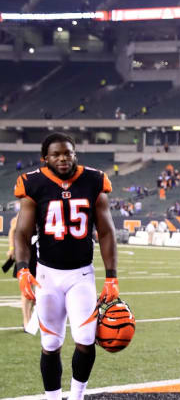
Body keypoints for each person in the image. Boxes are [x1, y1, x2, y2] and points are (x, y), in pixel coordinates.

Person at [13, 133, 118, 400]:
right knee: (50, 343)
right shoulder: (33, 183)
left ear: (75, 155)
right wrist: (23, 268)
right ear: (44, 158)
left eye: (68, 153)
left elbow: (106, 232)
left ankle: (77, 395)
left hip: (81, 274)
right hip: (47, 275)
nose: (63, 158)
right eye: (56, 154)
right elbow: (22, 233)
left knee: (85, 339)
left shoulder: (94, 180)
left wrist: (111, 277)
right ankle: (52, 398)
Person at [6, 213, 37, 331]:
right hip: (25, 252)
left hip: (42, 253)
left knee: (40, 290)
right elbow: (12, 230)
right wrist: (12, 248)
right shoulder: (25, 210)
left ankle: (34, 319)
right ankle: (26, 322)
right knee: (26, 288)